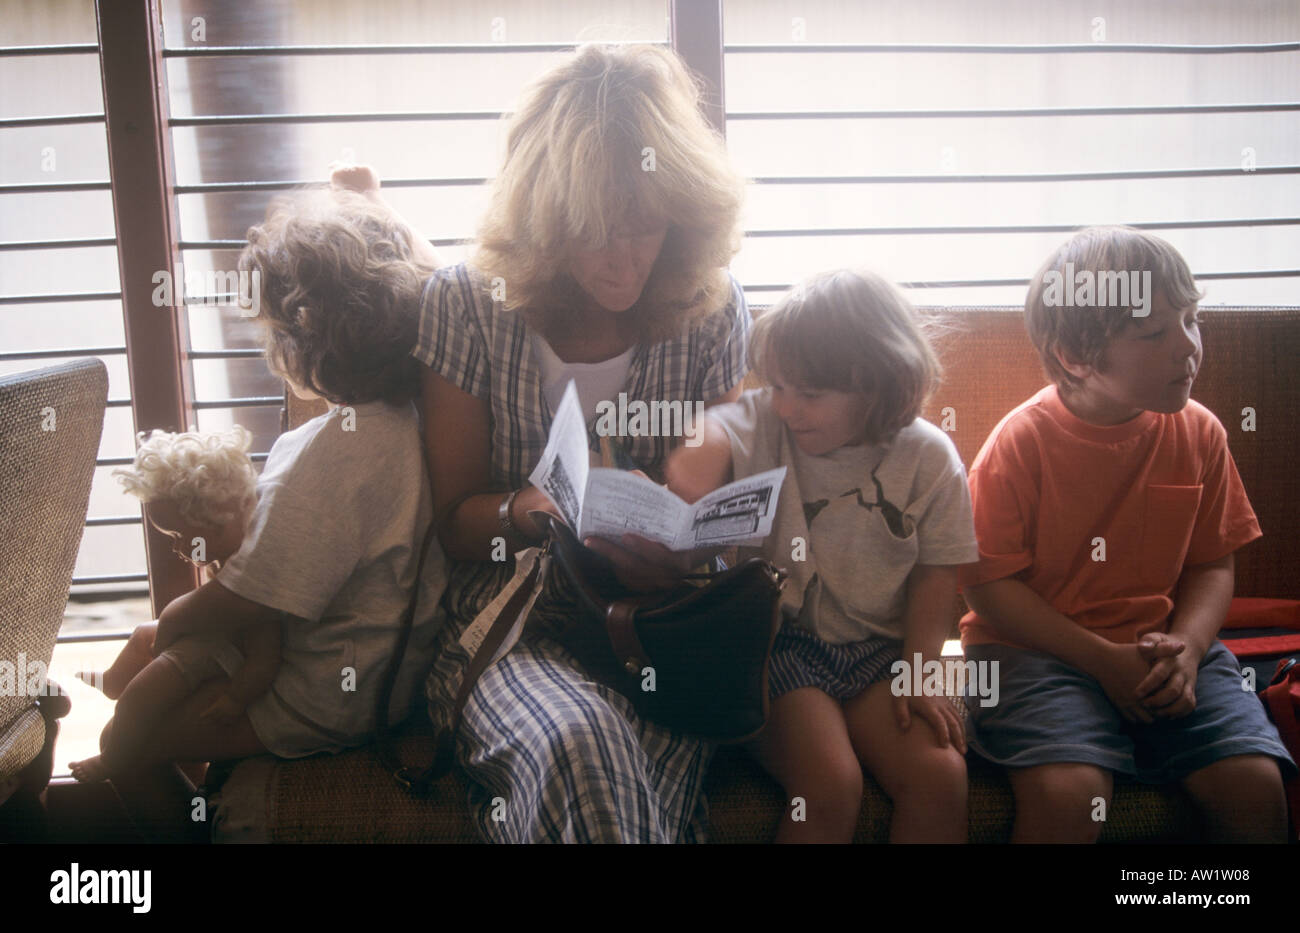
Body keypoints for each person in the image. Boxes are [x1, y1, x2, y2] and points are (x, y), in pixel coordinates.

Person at [374, 43, 749, 843]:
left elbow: (727, 513)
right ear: (548, 219)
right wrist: (531, 509)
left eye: (646, 224)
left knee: (621, 767)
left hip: (661, 625)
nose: (626, 258)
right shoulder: (469, 304)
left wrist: (689, 548)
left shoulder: (711, 309)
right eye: (596, 230)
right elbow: (455, 523)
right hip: (511, 620)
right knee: (582, 745)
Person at [103, 186, 447, 841]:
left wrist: (176, 619)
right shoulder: (408, 422)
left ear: (302, 336)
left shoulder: (329, 452)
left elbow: (245, 598)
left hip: (327, 698)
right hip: (387, 679)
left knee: (128, 740)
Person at [960, 225, 1294, 843]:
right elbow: (988, 589)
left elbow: (1213, 566)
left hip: (1166, 650)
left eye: (1192, 319)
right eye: (1156, 333)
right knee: (1070, 796)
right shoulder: (1021, 443)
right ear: (1075, 356)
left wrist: (1190, 649)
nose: (1188, 348)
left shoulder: (1200, 434)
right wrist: (1102, 662)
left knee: (1254, 784)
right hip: (1032, 655)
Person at [667, 269, 977, 843]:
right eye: (777, 386)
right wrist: (696, 460)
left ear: (880, 385)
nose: (787, 407)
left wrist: (922, 672)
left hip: (879, 655)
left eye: (809, 394)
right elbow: (713, 428)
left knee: (941, 774)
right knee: (831, 785)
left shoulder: (929, 459)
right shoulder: (768, 420)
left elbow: (937, 578)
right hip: (776, 646)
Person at [70, 426, 276, 783]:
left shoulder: (255, 575)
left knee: (135, 703)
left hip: (222, 653)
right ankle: (114, 680)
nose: (177, 548)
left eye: (181, 536)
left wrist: (237, 698)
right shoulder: (233, 545)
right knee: (141, 634)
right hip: (212, 635)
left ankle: (114, 759)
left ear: (217, 519)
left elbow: (267, 652)